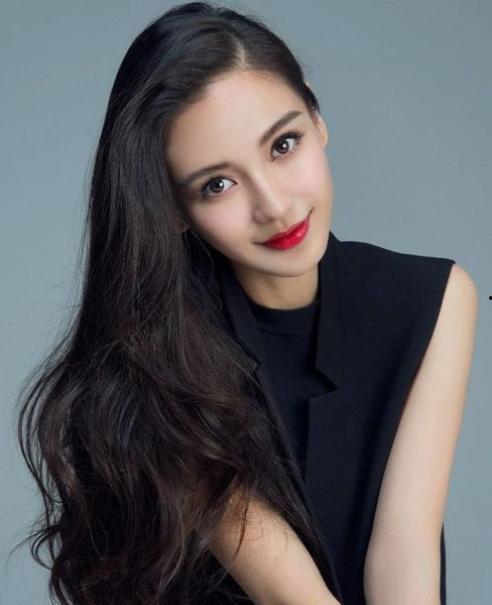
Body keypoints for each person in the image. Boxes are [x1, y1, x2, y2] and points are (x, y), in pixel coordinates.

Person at [14, 2, 478, 604]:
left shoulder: (431, 298)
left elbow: (405, 551)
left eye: (284, 144)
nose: (275, 206)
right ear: (173, 209)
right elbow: (291, 596)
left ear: (317, 118)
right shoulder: (154, 358)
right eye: (218, 184)